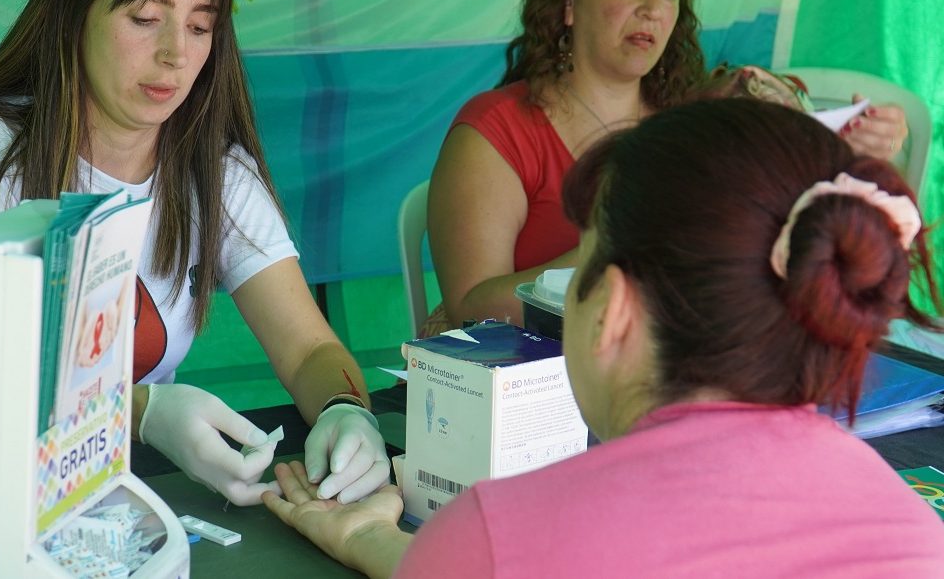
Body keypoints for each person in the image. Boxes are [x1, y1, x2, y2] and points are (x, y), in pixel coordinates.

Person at [264, 98, 944, 578]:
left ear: (613, 306)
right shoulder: (917, 538)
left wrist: (396, 541)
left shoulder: (497, 534)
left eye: (580, 263)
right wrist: (377, 542)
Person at [0, 0, 388, 506]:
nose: (174, 54)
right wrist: (141, 409)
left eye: (200, 27)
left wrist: (346, 412)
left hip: (123, 498)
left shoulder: (216, 171)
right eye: (145, 17)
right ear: (74, 13)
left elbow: (309, 347)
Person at [424, 0, 909, 335]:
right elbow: (470, 311)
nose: (652, 11)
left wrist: (847, 159)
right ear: (568, 1)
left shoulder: (692, 122)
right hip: (531, 397)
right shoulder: (496, 130)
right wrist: (619, 242)